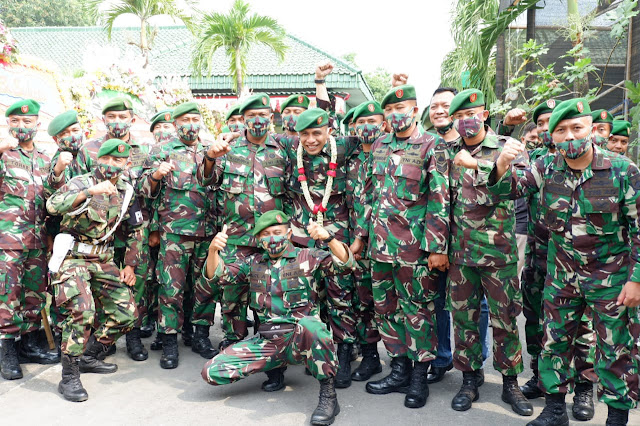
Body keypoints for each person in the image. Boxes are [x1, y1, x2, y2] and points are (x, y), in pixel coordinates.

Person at [483, 98, 640, 426]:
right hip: (562, 274)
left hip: (610, 276)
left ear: (592, 130)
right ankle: (554, 411)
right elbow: (505, 190)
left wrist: (636, 280)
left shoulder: (622, 170)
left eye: (576, 129)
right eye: (560, 131)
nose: (569, 137)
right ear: (550, 136)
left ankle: (616, 418)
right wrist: (500, 163)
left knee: (616, 351)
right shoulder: (546, 167)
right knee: (555, 342)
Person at [200, 210, 354, 426]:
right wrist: (213, 251)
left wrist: (328, 238)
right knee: (211, 372)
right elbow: (218, 276)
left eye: (277, 232)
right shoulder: (252, 263)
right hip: (268, 342)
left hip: (300, 338)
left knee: (314, 327)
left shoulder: (307, 256)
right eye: (266, 234)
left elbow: (346, 264)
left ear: (289, 234)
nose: (272, 238)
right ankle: (275, 369)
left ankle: (328, 396)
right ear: (259, 240)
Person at [354, 84, 449, 409]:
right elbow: (370, 191)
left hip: (414, 251)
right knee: (386, 310)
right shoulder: (380, 144)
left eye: (402, 108)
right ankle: (399, 369)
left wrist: (437, 248)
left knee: (417, 311)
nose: (396, 115)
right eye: (390, 111)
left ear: (414, 109)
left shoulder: (430, 145)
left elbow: (439, 198)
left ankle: (419, 378)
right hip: (379, 249)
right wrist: (361, 235)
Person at [448, 89, 532, 416]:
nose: (467, 121)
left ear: (484, 114)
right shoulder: (446, 152)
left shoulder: (506, 147)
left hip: (499, 252)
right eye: (460, 116)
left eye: (473, 113)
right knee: (464, 319)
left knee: (506, 319)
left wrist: (481, 165)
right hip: (460, 252)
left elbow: (516, 188)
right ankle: (469, 379)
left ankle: (511, 382)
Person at [198, 93, 289, 391]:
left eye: (263, 114)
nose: (258, 120)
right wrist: (211, 156)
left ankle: (274, 365)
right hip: (236, 239)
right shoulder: (230, 147)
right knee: (232, 300)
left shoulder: (286, 148)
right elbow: (206, 181)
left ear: (271, 117)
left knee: (270, 301)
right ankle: (235, 352)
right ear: (244, 119)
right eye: (251, 116)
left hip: (270, 241)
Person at [46, 139, 141, 401]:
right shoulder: (81, 181)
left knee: (127, 313)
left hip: (103, 259)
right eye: (107, 159)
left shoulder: (127, 191)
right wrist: (88, 193)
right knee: (82, 311)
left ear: (126, 164)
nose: (111, 165)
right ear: (99, 159)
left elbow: (135, 229)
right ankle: (69, 377)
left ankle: (90, 355)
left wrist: (130, 264)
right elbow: (52, 205)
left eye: (118, 161)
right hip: (72, 257)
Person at [282, 107, 360, 389]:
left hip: (335, 237)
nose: (311, 139)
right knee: (308, 297)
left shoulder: (345, 147)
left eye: (317, 133)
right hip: (302, 238)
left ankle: (344, 352)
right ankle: (313, 350)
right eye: (305, 134)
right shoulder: (290, 149)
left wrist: (357, 237)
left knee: (341, 296)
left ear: (329, 131)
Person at [139, 101, 218, 369]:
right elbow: (144, 190)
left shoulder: (210, 150)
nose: (191, 124)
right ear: (175, 124)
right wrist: (156, 176)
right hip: (173, 233)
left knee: (204, 288)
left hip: (207, 232)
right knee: (170, 289)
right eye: (185, 120)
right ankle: (169, 342)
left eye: (195, 119)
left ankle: (200, 336)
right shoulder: (161, 150)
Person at [426, 86, 491, 384]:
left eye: (445, 105)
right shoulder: (430, 147)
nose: (439, 110)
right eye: (434, 105)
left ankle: (475, 363)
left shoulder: (483, 146)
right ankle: (442, 357)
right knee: (438, 302)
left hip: (479, 246)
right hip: (438, 242)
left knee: (477, 307)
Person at [0, 99, 62, 380]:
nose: (22, 126)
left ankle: (29, 344)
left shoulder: (46, 160)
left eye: (27, 121)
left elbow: (53, 200)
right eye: (15, 122)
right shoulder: (4, 156)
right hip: (8, 241)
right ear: (9, 125)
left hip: (37, 241)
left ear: (37, 124)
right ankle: (7, 351)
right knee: (7, 296)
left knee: (34, 295)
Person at [348, 101, 385, 382]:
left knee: (392, 304)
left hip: (388, 243)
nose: (366, 127)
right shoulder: (349, 159)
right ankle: (370, 356)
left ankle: (404, 363)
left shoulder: (390, 154)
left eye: (372, 120)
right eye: (360, 123)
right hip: (355, 246)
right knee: (362, 302)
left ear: (383, 124)